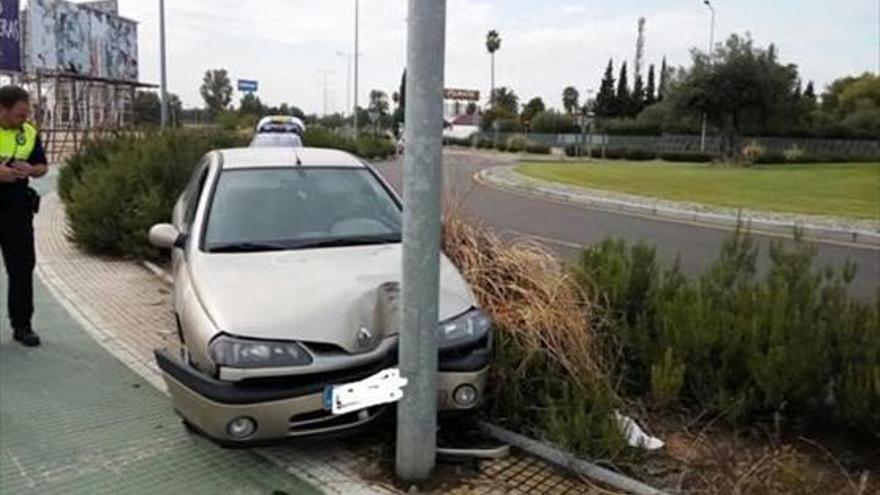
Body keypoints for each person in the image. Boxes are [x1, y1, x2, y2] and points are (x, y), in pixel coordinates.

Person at [0, 86, 49, 347]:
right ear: (2, 109)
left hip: (17, 211)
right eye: (19, 115)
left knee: (21, 268)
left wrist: (32, 169)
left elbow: (42, 167)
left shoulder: (28, 132)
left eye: (26, 114)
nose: (24, 120)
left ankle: (22, 325)